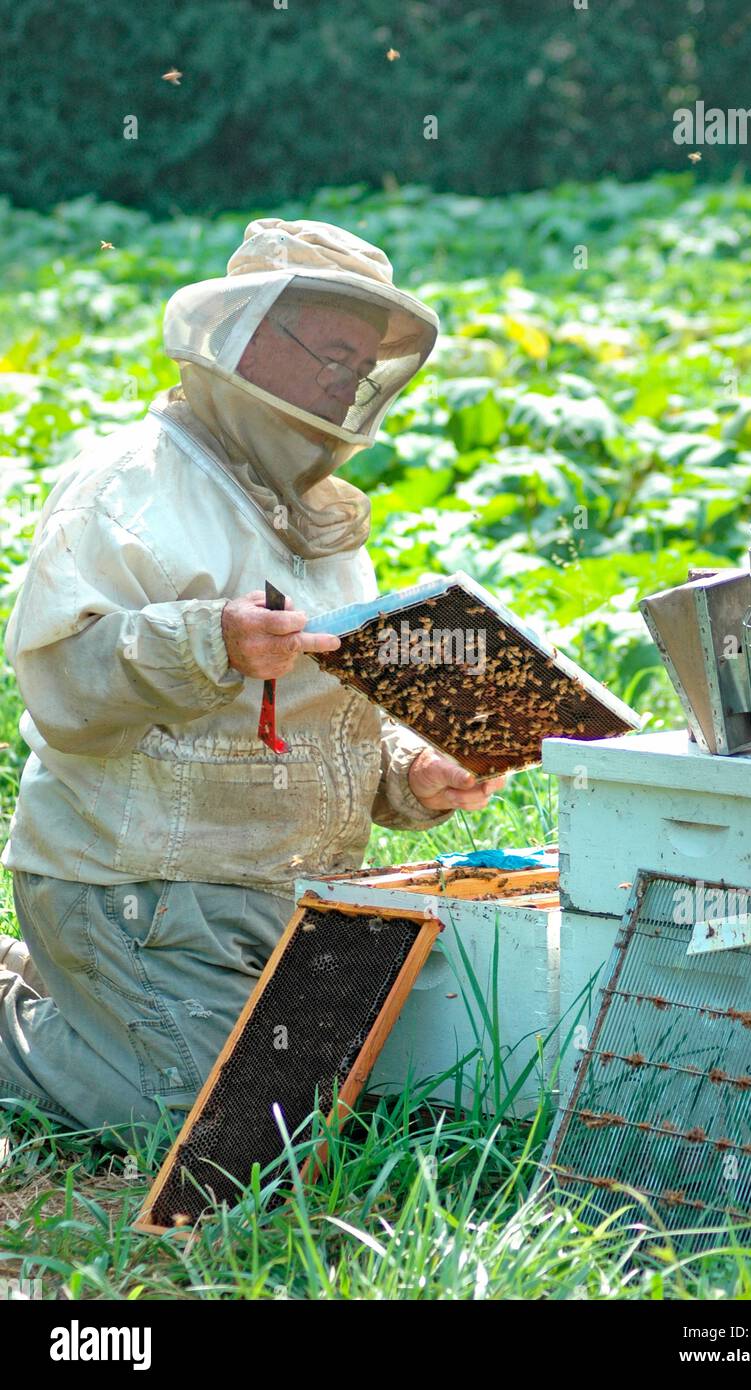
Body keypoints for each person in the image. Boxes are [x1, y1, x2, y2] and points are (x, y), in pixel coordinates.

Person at [0, 218, 505, 1143]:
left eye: (361, 366)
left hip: (290, 894)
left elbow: (326, 712)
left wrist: (413, 770)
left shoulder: (315, 521)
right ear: (252, 335)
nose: (344, 382)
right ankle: (18, 1025)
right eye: (331, 351)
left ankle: (82, 997)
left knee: (381, 1094)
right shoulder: (126, 487)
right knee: (242, 1135)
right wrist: (208, 641)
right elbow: (59, 685)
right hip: (140, 888)